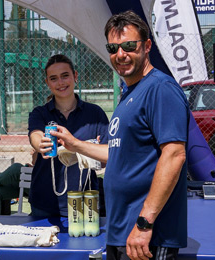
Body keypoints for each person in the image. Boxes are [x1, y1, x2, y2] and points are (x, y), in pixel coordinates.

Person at [52, 11, 189, 260]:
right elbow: (118, 152)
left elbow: (174, 155)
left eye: (128, 45)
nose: (120, 54)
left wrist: (144, 224)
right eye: (113, 48)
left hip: (146, 236)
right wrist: (75, 145)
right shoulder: (130, 94)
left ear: (147, 46)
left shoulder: (160, 89)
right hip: (121, 233)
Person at [28, 54, 109, 217]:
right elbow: (35, 135)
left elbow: (108, 156)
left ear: (75, 76)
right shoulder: (40, 113)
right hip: (45, 202)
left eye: (65, 76)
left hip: (86, 202)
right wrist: (41, 145)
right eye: (54, 78)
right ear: (47, 83)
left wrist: (81, 147)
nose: (61, 83)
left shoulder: (95, 113)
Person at [0, 149, 37, 215]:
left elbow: (37, 161)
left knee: (17, 167)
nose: (31, 152)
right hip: (33, 183)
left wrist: (36, 155)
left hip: (44, 187)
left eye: (33, 150)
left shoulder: (50, 144)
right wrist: (34, 167)